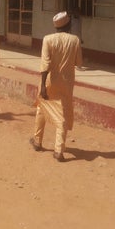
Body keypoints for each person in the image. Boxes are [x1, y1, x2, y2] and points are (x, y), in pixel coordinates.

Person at [30, 11, 83, 162]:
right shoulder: (75, 40)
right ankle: (59, 150)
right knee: (63, 115)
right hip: (66, 83)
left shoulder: (48, 39)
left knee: (42, 109)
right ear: (68, 24)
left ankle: (37, 141)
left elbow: (45, 64)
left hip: (49, 81)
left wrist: (43, 86)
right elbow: (79, 63)